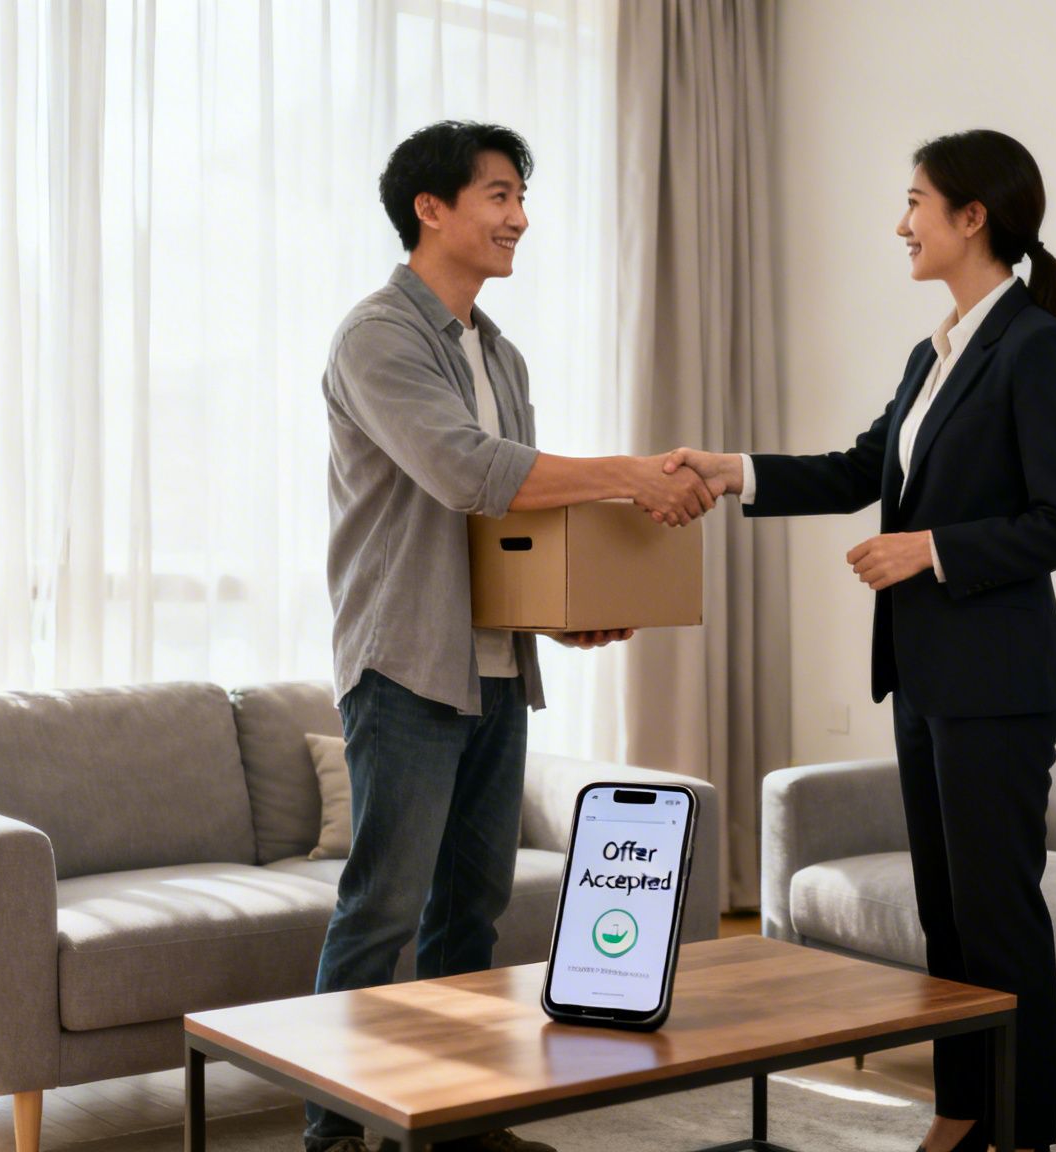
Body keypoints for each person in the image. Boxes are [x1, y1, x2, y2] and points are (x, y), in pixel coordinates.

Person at [667, 129, 1056, 1152]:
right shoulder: (937, 351)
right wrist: (729, 468)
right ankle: (962, 1113)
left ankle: (1021, 1134)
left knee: (998, 916)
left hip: (997, 683)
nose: (898, 223)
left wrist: (929, 552)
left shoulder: (1037, 347)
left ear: (971, 217)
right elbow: (858, 466)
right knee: (946, 921)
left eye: (914, 202)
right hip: (922, 677)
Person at [312, 120, 716, 1152]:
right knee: (382, 911)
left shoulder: (498, 352)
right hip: (404, 662)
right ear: (429, 209)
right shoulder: (377, 335)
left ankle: (451, 1124)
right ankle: (332, 1133)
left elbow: (511, 524)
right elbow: (466, 473)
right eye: (497, 196)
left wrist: (564, 616)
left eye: (519, 199)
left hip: (493, 667)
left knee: (471, 913)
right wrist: (631, 474)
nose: (518, 220)